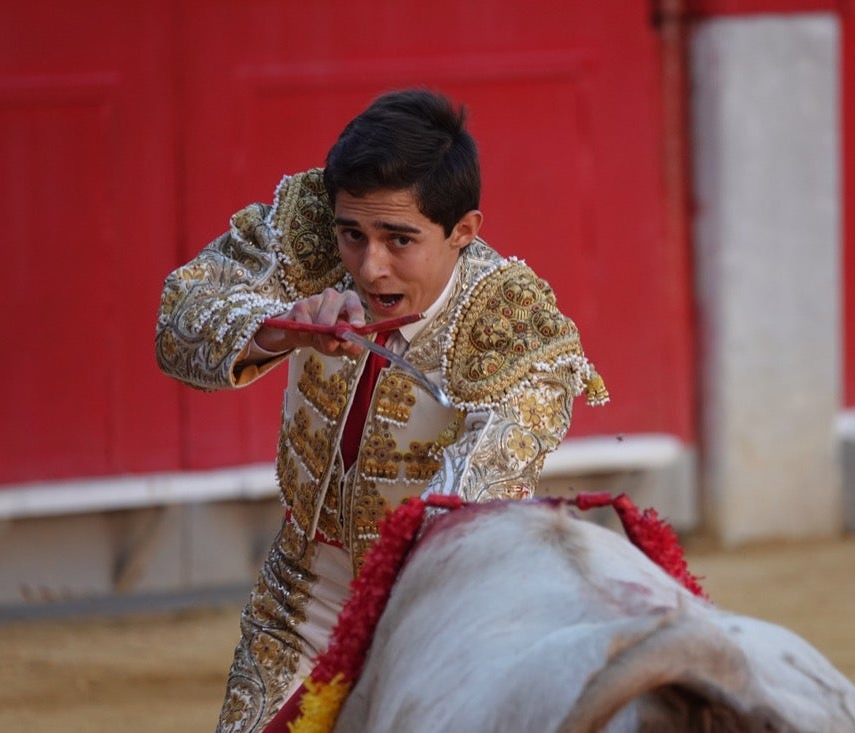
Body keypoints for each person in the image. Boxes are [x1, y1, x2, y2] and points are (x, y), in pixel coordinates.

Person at [155, 88, 608, 732]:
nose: (370, 267)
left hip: (434, 612)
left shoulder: (513, 324)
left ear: (463, 231)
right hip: (299, 599)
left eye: (400, 240)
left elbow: (476, 492)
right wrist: (274, 328)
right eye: (353, 235)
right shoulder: (308, 232)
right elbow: (181, 318)